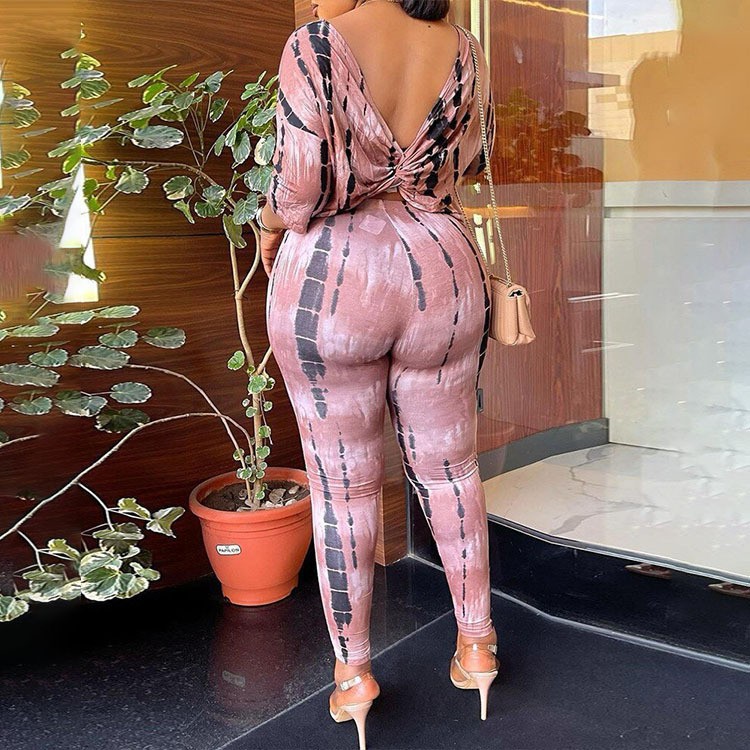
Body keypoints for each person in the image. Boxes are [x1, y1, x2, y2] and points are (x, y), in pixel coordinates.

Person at [259, 1, 499, 746]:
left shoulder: (317, 44)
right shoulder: (464, 48)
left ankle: (353, 674)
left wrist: (267, 228)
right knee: (452, 471)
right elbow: (470, 161)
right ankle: (477, 645)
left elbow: (299, 184)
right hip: (442, 269)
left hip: (334, 277)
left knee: (343, 487)